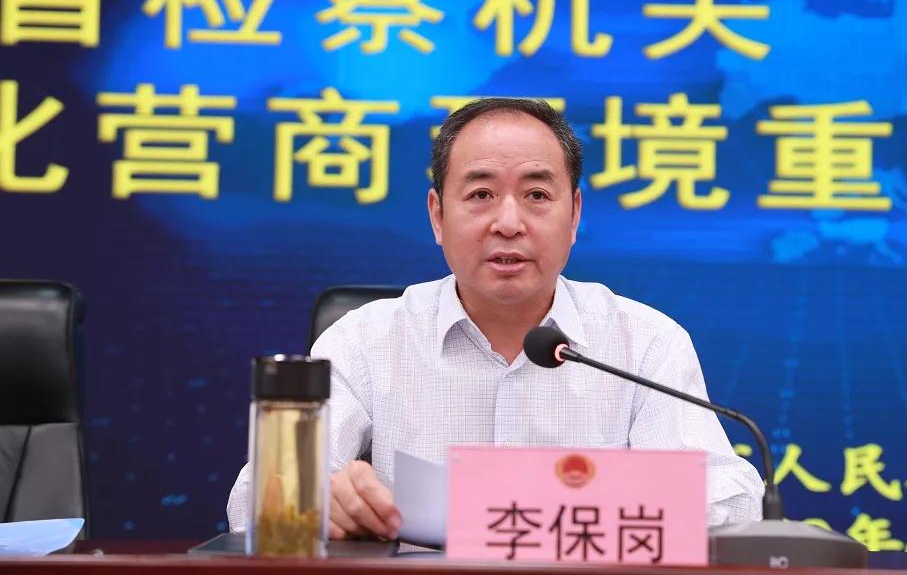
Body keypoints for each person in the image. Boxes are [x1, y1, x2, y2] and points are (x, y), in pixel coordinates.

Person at [227, 98, 763, 538]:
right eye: (481, 194)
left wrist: (595, 506)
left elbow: (734, 501)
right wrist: (322, 499)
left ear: (574, 215)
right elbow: (256, 500)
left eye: (537, 195)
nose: (508, 222)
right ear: (437, 215)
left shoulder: (644, 342)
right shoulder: (365, 340)